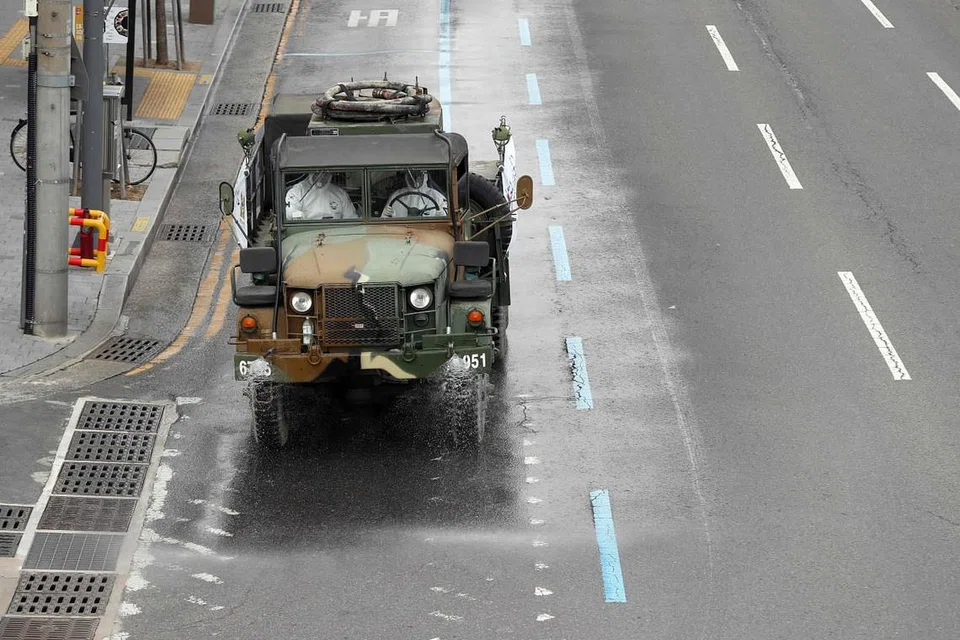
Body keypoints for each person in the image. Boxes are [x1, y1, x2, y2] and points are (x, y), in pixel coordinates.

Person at [284, 171, 358, 220]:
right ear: (311, 172)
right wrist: (303, 220)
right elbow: (291, 212)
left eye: (325, 173)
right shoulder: (297, 191)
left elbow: (351, 217)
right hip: (306, 232)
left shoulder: (340, 193)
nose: (321, 176)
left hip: (335, 233)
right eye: (317, 172)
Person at [381, 170, 447, 218]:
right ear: (406, 177)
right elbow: (385, 222)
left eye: (419, 175)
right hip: (400, 232)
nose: (415, 179)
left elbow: (446, 221)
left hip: (429, 232)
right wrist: (386, 214)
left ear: (425, 176)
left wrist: (442, 216)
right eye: (411, 175)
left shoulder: (437, 197)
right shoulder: (396, 195)